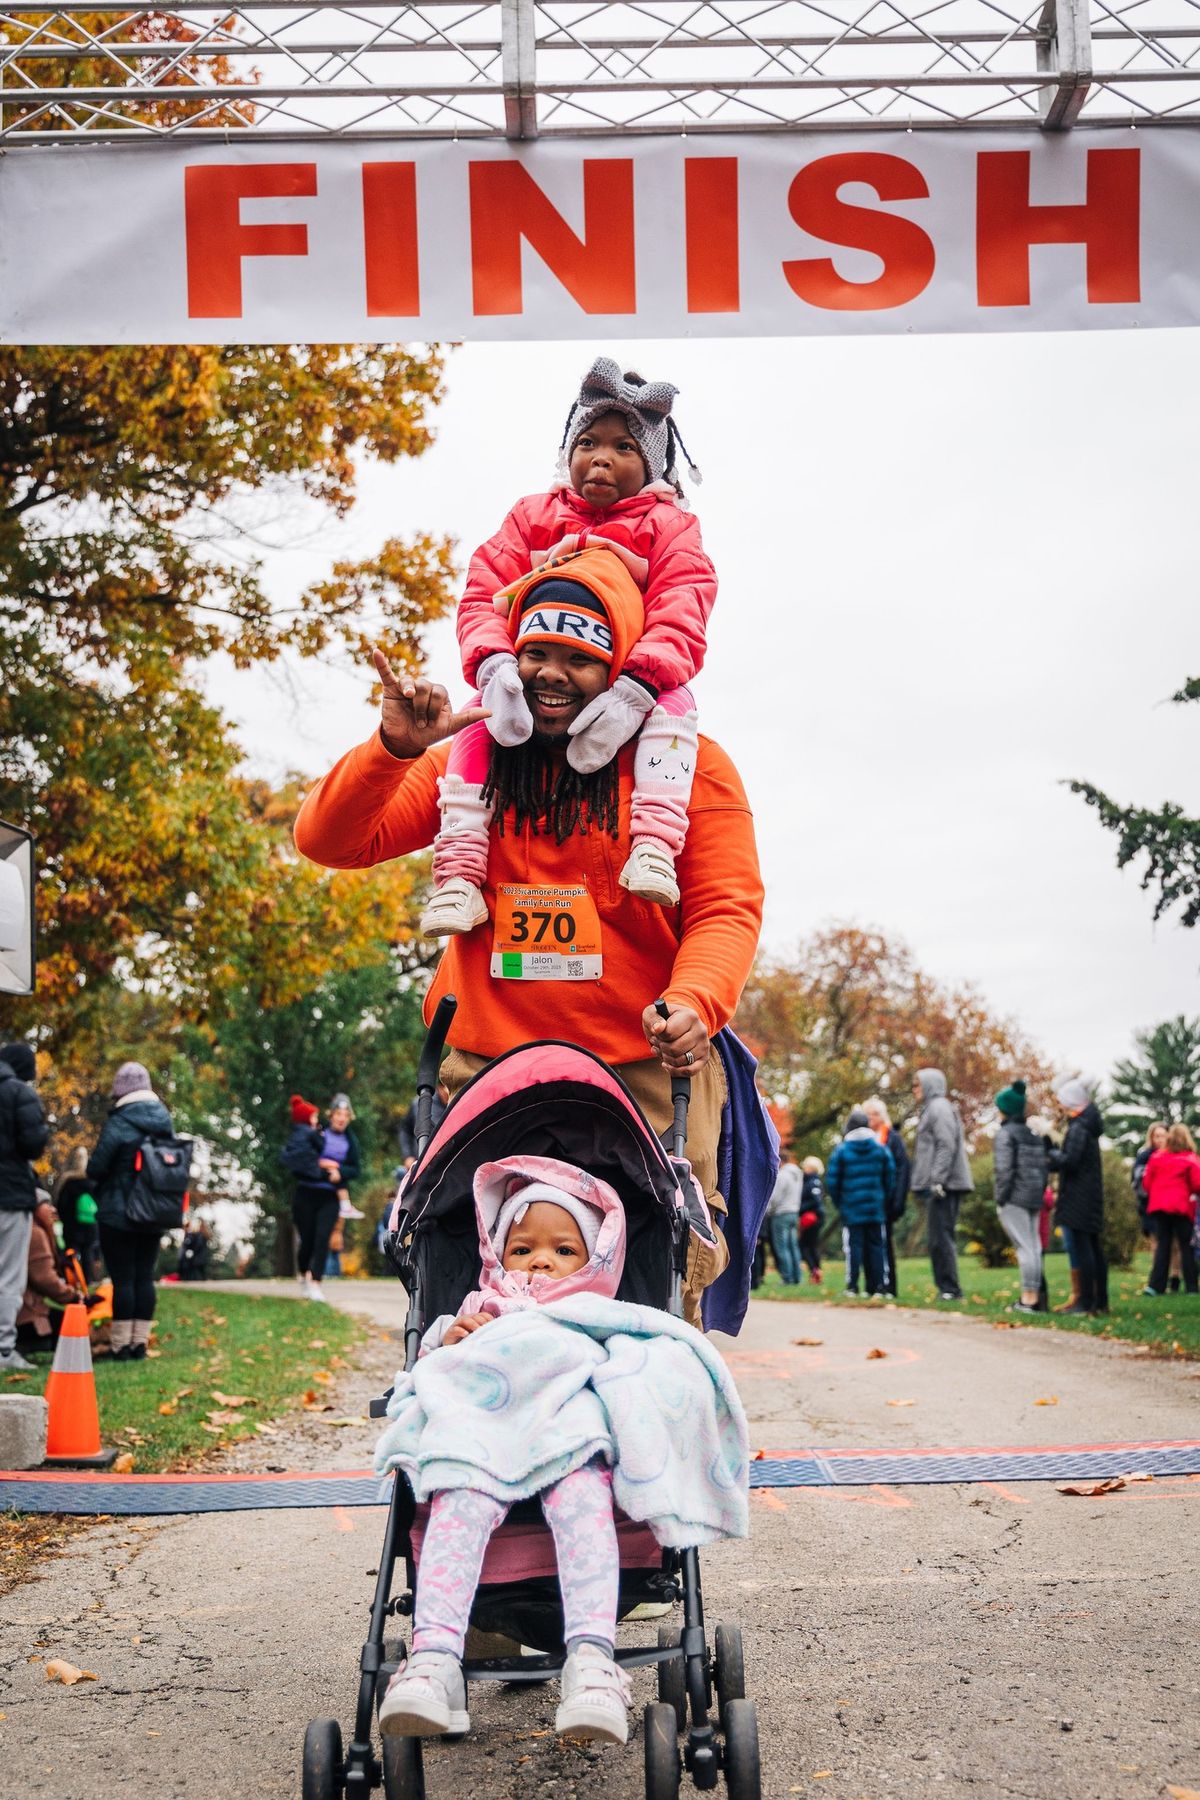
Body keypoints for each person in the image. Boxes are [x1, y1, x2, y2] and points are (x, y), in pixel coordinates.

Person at [293, 554, 763, 1327]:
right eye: (536, 653)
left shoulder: (690, 766)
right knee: (472, 1266)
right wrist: (393, 749)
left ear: (619, 668)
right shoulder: (471, 763)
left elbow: (725, 907)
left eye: (579, 659)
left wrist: (694, 1001)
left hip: (645, 1068)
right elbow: (332, 840)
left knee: (657, 1270)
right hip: (489, 1068)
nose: (552, 674)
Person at [375, 1157, 747, 1748]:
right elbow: (436, 1375)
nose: (540, 1259)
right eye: (521, 1249)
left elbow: (650, 1362)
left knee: (582, 1501)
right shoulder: (477, 1309)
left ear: (597, 1260)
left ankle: (592, 1661)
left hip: (572, 1443)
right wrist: (449, 1342)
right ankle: (435, 1658)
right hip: (483, 1442)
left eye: (563, 1250)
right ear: (498, 1255)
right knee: (457, 1499)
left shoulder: (601, 1314)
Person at [421, 356, 714, 936]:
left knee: (676, 713)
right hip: (522, 688)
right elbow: (483, 594)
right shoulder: (531, 516)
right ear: (567, 450)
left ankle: (654, 842)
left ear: (653, 463)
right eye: (588, 441)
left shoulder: (672, 527)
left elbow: (684, 607)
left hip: (636, 685)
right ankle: (457, 876)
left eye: (625, 447)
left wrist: (638, 686)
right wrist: (494, 666)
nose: (601, 457)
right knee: (477, 726)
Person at [87, 1060, 174, 1360]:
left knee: (123, 1279)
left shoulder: (119, 1122)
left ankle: (121, 1346)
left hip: (118, 1211)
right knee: (143, 1276)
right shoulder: (164, 1120)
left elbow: (96, 1167)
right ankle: (140, 1343)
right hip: (154, 1211)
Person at [0, 1041, 50, 1374]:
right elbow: (33, 1144)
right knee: (8, 1275)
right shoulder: (19, 1093)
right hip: (8, 1194)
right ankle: (3, 1350)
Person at [910, 1068, 973, 1301]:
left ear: (929, 1085)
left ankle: (951, 1289)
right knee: (937, 1238)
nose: (915, 1090)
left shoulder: (939, 1108)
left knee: (941, 1237)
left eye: (918, 1085)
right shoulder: (932, 1109)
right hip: (941, 1183)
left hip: (946, 1184)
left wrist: (937, 1179)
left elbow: (946, 1144)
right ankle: (946, 1288)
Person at [1048, 1076, 1107, 1316]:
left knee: (1085, 1250)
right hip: (1088, 1196)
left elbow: (1071, 1161)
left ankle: (1086, 1301)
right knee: (1093, 1248)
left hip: (1078, 1198)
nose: (1060, 1106)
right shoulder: (1087, 1126)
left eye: (1062, 1101)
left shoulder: (1079, 1127)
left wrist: (1050, 1152)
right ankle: (1099, 1301)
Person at [992, 1080, 1050, 1313]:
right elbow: (1043, 1168)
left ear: (1004, 1109)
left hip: (1014, 1197)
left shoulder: (1006, 1135)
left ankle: (1029, 1299)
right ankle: (1035, 1296)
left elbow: (1004, 1170)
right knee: (1033, 1247)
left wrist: (1001, 1197)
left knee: (1024, 1248)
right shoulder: (1032, 1134)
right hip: (1034, 1197)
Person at [826, 1108, 894, 1298]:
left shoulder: (841, 1150)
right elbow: (889, 1178)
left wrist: (841, 1203)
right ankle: (880, 1286)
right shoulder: (880, 1148)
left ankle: (852, 1286)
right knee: (877, 1246)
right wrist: (882, 1199)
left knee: (853, 1247)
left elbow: (832, 1182)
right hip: (875, 1207)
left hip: (851, 1208)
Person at [280, 1095, 338, 1302]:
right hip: (308, 1187)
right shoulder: (310, 1132)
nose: (316, 1120)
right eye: (314, 1117)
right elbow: (321, 1145)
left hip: (319, 1189)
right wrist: (319, 1133)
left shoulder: (294, 1134)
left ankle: (313, 1281)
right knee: (308, 1240)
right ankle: (305, 1272)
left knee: (318, 1240)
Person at [15, 1197, 84, 1354]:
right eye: (46, 1205)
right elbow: (45, 1280)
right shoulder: (35, 1233)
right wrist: (73, 1297)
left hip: (19, 1311)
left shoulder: (25, 1229)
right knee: (75, 1324)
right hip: (26, 1316)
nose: (53, 1210)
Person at [1141, 1123, 1200, 1297]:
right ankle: (1191, 1286)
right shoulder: (1190, 1158)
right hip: (1182, 1207)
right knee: (1185, 1246)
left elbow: (1146, 1183)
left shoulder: (1156, 1158)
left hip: (1160, 1207)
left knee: (1163, 1245)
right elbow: (1197, 1184)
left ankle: (1156, 1285)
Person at [864, 1096, 910, 1299]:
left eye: (874, 1114)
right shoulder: (862, 1139)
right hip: (866, 1200)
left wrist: (897, 1200)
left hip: (886, 1200)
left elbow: (902, 1171)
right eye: (868, 1114)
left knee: (883, 1244)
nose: (871, 1118)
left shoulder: (892, 1138)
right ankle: (871, 1285)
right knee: (866, 1244)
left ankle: (888, 1285)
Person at [53, 1145, 102, 1284]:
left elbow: (62, 1206)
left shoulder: (68, 1183)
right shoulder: (93, 1182)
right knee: (88, 1253)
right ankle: (87, 1280)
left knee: (71, 1253)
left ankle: (71, 1279)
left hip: (72, 1226)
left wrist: (65, 1220)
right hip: (90, 1225)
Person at [321, 1093, 364, 1220]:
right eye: (339, 1114)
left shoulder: (351, 1140)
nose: (342, 1119)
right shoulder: (319, 1132)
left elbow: (355, 1169)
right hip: (312, 1189)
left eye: (346, 1115)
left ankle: (345, 1206)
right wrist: (325, 1165)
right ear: (331, 1115)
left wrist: (339, 1172)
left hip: (333, 1196)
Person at [764, 1151, 803, 1285]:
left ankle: (787, 1277)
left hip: (781, 1213)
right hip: (794, 1212)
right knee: (793, 1246)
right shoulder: (797, 1174)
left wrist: (768, 1209)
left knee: (782, 1247)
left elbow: (775, 1197)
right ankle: (797, 1276)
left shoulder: (783, 1175)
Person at [398, 1081, 450, 1169]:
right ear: (440, 1088)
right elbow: (405, 1130)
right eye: (448, 1090)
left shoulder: (461, 1105)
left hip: (447, 1166)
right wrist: (407, 1156)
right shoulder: (420, 1104)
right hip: (420, 1164)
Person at [798, 1156, 825, 1282]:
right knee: (811, 1246)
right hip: (811, 1217)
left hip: (811, 1218)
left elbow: (816, 1201)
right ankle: (815, 1270)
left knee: (806, 1246)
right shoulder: (810, 1181)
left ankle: (815, 1270)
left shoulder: (813, 1182)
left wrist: (800, 1207)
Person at [178, 1214, 212, 1281]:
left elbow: (197, 1245)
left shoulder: (200, 1235)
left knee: (197, 1272)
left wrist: (193, 1252)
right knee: (200, 1272)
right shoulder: (200, 1234)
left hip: (198, 1257)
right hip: (200, 1256)